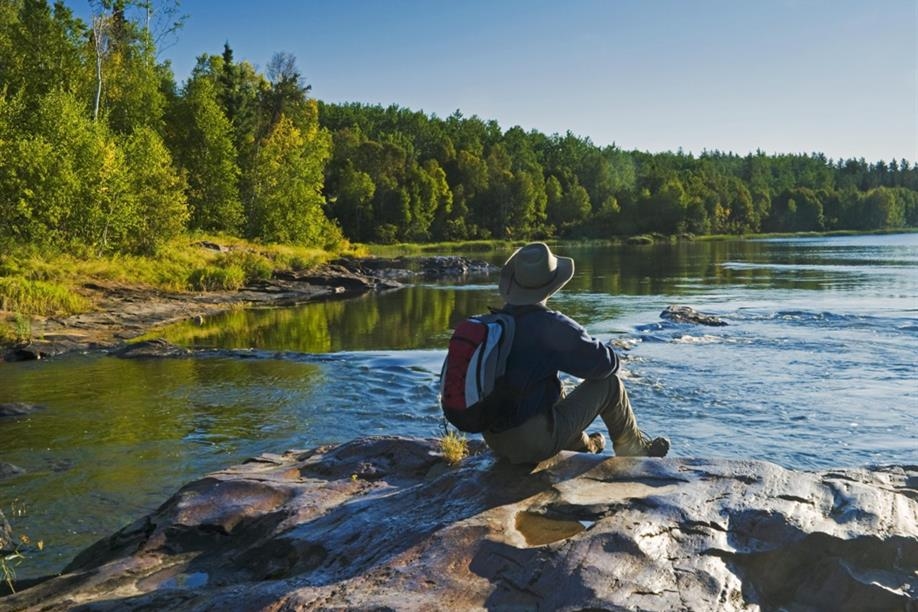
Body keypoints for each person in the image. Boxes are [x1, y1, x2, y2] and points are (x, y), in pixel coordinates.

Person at [482, 242, 670, 464]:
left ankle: (584, 446)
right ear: (552, 286)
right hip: (531, 444)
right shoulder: (550, 325)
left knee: (551, 388)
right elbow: (607, 364)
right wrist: (577, 333)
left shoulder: (493, 324)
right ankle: (636, 452)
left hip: (494, 439)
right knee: (609, 384)